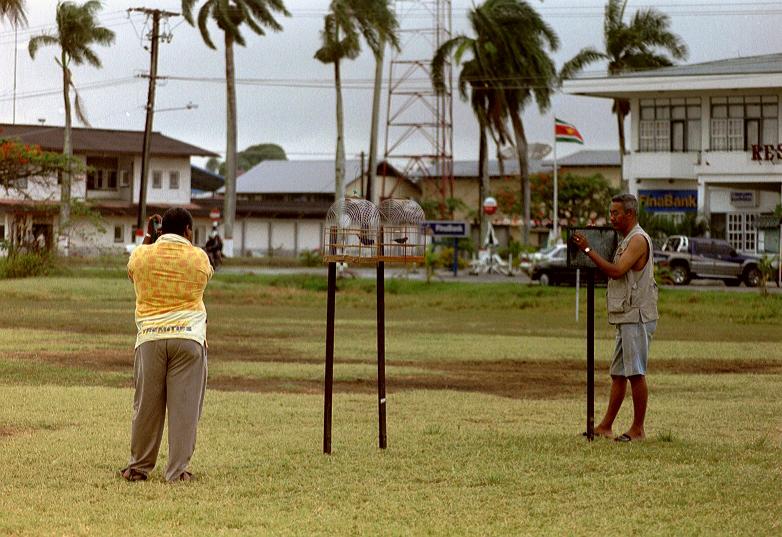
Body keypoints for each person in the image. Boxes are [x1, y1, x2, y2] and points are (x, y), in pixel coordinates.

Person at [120, 208, 214, 482]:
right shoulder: (198, 256)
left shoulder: (142, 255)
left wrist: (149, 239)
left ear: (159, 230)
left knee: (146, 406)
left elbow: (132, 271)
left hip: (150, 337)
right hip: (188, 338)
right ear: (188, 231)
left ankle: (138, 467)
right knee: (185, 408)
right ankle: (177, 471)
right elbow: (206, 275)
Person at [572, 194, 659, 442]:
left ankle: (638, 429)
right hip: (626, 315)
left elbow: (616, 270)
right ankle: (606, 425)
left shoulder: (638, 240)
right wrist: (593, 241)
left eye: (615, 213)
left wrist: (588, 249)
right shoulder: (625, 240)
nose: (611, 217)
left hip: (637, 316)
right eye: (610, 213)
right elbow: (609, 261)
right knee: (619, 373)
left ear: (629, 214)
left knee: (635, 372)